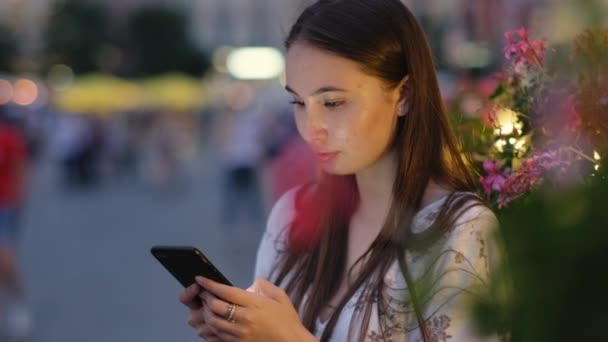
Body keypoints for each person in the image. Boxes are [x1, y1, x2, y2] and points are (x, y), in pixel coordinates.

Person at [180, 1, 501, 341]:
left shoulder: (459, 230)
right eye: (299, 103)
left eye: (332, 103)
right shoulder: (291, 216)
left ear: (404, 94)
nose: (311, 128)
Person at [0, 105, 32, 339]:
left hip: (5, 206)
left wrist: (18, 200)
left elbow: (21, 170)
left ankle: (19, 303)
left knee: (5, 259)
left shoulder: (9, 137)